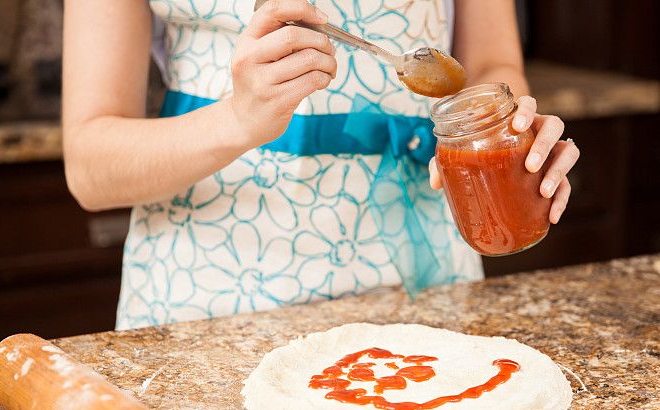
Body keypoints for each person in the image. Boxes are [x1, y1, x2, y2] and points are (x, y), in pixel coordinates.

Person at [62, 0, 579, 330]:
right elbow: (90, 167)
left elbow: (491, 69)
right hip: (206, 294)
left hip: (419, 275)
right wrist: (236, 121)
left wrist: (510, 128)